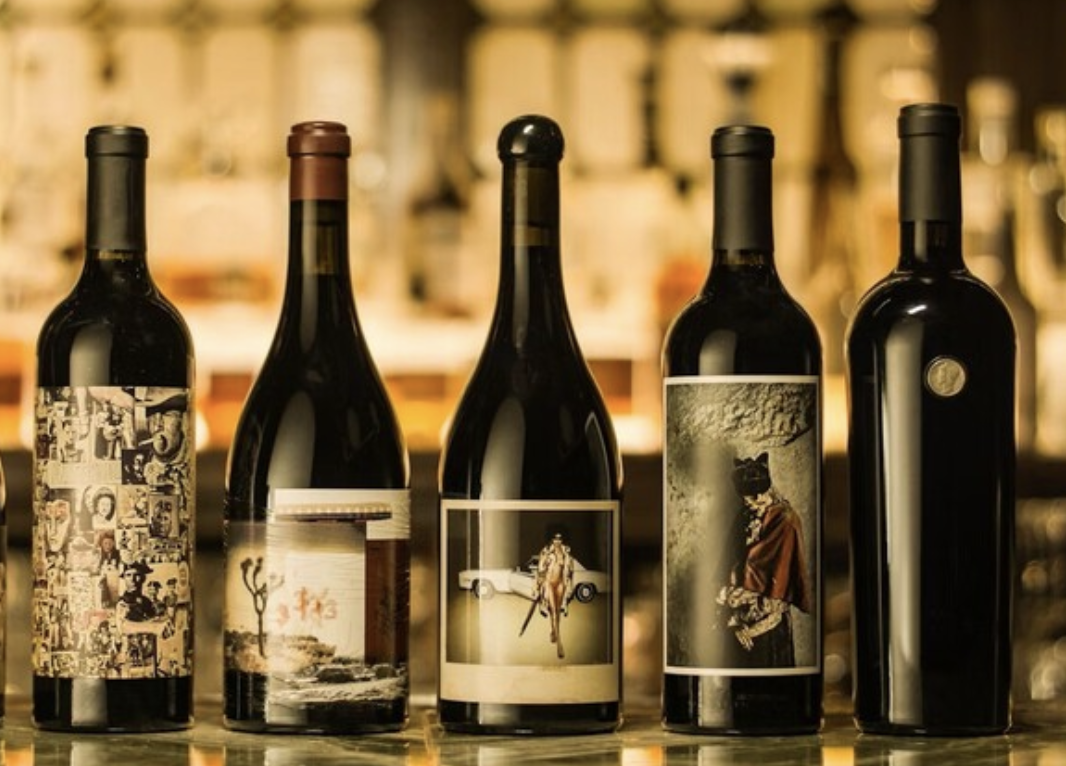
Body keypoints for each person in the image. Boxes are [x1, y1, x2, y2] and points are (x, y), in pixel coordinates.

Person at [717, 453, 811, 668]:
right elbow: (729, 557)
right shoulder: (745, 515)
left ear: (761, 493)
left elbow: (778, 580)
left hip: (768, 622)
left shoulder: (785, 520)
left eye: (750, 498)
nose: (747, 503)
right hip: (736, 617)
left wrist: (751, 629)